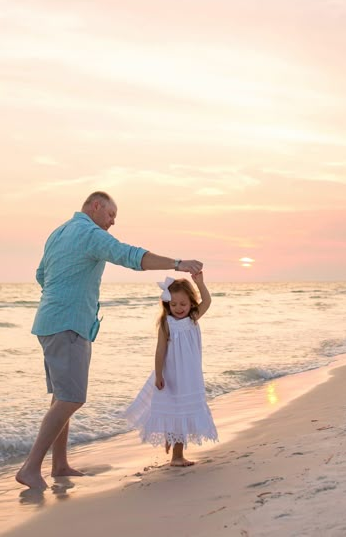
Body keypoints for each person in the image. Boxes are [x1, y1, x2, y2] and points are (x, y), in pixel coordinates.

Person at [16, 191, 203, 489]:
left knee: (61, 396)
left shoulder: (58, 232)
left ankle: (60, 464)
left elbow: (41, 275)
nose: (112, 222)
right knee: (71, 398)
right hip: (69, 323)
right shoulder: (90, 233)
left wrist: (61, 296)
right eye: (111, 215)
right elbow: (130, 256)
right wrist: (178, 263)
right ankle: (30, 467)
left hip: (48, 322)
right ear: (96, 206)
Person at [124, 272, 217, 467]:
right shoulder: (167, 323)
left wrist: (200, 282)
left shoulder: (193, 317)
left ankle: (173, 443)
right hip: (171, 374)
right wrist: (158, 374)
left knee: (180, 409)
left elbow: (207, 300)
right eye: (173, 305)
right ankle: (177, 456)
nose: (178, 308)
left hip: (189, 376)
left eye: (183, 304)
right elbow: (160, 351)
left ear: (191, 303)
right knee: (175, 408)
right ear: (167, 304)